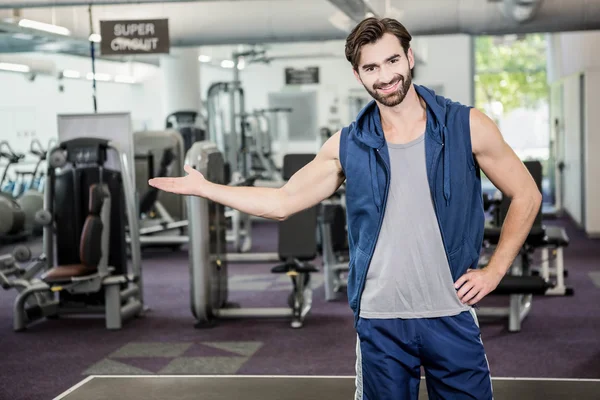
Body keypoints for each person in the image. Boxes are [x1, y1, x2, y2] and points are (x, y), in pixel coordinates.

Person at [149, 17, 542, 400]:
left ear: (409, 57)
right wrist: (207, 188)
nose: (385, 76)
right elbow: (282, 202)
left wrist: (495, 270)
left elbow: (526, 194)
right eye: (371, 67)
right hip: (380, 321)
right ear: (358, 75)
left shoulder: (467, 125)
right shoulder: (347, 145)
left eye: (392, 61)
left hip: (451, 312)